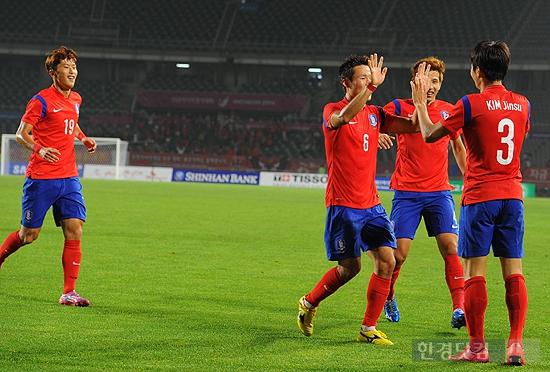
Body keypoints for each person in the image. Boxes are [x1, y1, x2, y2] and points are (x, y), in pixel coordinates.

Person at [411, 40, 530, 365]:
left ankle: (477, 348)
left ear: (477, 71)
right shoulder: (524, 104)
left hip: (480, 197)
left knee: (474, 271)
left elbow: (430, 134)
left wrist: (421, 104)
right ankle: (515, 345)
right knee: (513, 271)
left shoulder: (470, 103)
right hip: (513, 197)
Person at [297, 54, 419, 345]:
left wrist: (420, 99)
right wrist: (371, 90)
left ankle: (368, 329)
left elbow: (413, 126)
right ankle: (309, 303)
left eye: (371, 77)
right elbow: (344, 118)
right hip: (343, 206)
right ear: (346, 83)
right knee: (350, 269)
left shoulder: (375, 114)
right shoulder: (333, 110)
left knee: (387, 261)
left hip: (372, 205)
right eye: (362, 78)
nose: (369, 81)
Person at [0, 46, 97, 306]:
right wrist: (40, 149)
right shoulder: (40, 100)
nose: (72, 71)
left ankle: (69, 292)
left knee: (75, 229)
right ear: (53, 73)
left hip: (69, 177)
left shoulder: (76, 99)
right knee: (28, 236)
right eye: (66, 67)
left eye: (74, 67)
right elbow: (21, 133)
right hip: (42, 178)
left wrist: (82, 137)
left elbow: (71, 122)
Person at [377, 57, 467, 329]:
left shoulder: (448, 110)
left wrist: (470, 176)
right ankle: (389, 295)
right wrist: (379, 131)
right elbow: (370, 119)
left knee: (451, 247)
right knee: (399, 255)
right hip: (407, 192)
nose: (429, 86)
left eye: (435, 81)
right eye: (424, 80)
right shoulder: (397, 106)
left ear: (441, 84)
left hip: (440, 192)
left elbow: (458, 147)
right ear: (413, 81)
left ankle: (459, 309)